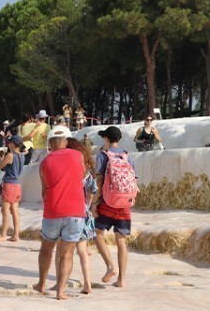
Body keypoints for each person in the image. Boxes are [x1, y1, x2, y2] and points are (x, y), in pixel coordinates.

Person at [34, 126, 86, 300]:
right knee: (67, 253)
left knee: (46, 248)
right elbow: (82, 176)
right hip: (75, 212)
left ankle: (41, 284)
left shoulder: (44, 163)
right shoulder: (79, 156)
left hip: (52, 211)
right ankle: (61, 292)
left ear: (49, 143)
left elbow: (44, 191)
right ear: (67, 140)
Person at [50, 138, 98, 294]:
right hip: (83, 211)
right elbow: (92, 192)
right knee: (83, 251)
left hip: (67, 210)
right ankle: (87, 284)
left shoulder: (68, 167)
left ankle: (59, 284)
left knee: (61, 250)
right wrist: (88, 207)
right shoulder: (87, 169)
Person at [91, 126, 136, 288]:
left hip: (108, 202)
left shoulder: (103, 155)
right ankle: (122, 280)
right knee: (121, 240)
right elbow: (134, 179)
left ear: (107, 139)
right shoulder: (127, 156)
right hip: (125, 203)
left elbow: (99, 180)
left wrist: (94, 202)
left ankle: (110, 266)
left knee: (97, 233)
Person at [0, 135, 25, 242]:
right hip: (17, 185)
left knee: (5, 211)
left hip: (9, 184)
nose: (8, 144)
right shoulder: (22, 156)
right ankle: (16, 235)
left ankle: (3, 234)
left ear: (12, 143)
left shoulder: (10, 155)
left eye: (9, 142)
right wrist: (0, 159)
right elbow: (9, 165)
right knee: (15, 211)